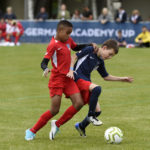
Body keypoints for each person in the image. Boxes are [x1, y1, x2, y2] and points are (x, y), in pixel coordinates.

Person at [25, 20, 98, 141]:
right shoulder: (53, 44)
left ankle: (57, 124)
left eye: (70, 33)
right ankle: (32, 130)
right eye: (67, 33)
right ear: (59, 31)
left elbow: (75, 47)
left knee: (79, 103)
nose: (69, 36)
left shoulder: (68, 40)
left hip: (69, 78)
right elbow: (44, 61)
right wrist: (45, 68)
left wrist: (90, 44)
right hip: (57, 79)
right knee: (54, 110)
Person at [66, 39, 133, 137]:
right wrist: (71, 70)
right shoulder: (90, 50)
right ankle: (90, 116)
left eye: (112, 56)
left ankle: (81, 126)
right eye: (109, 54)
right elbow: (74, 56)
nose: (109, 57)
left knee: (98, 111)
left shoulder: (100, 61)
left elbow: (106, 76)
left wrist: (122, 79)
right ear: (104, 48)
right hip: (77, 77)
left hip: (86, 81)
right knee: (97, 89)